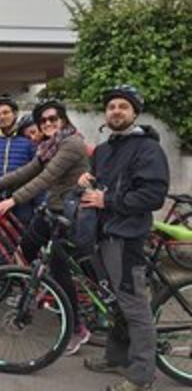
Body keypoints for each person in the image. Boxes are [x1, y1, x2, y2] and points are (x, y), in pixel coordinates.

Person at [0, 99, 91, 355]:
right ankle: (41, 287)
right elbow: (29, 170)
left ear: (63, 120)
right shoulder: (49, 146)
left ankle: (77, 328)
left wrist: (13, 199)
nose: (48, 123)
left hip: (68, 212)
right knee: (26, 248)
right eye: (43, 121)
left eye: (53, 119)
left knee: (60, 270)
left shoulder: (71, 144)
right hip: (51, 210)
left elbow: (45, 178)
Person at [79, 85, 169, 391]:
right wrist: (87, 180)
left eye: (123, 106)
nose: (116, 111)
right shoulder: (105, 150)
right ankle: (116, 357)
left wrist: (108, 201)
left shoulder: (147, 149)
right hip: (103, 234)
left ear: (134, 113)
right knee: (116, 302)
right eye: (111, 106)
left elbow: (153, 195)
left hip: (127, 237)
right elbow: (99, 184)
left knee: (134, 306)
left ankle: (142, 376)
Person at [0, 94, 37, 224]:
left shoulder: (27, 140)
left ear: (15, 114)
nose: (2, 116)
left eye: (6, 112)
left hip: (22, 198)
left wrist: (38, 202)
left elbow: (37, 172)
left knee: (23, 236)